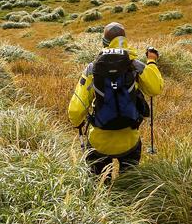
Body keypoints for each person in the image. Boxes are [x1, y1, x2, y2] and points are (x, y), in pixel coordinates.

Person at [67, 22, 163, 176]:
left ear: (104, 43)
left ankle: (102, 197)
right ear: (124, 40)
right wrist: (151, 61)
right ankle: (129, 197)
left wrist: (78, 123)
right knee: (129, 186)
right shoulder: (134, 65)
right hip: (129, 140)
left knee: (99, 186)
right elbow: (155, 88)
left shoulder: (93, 68)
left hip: (99, 142)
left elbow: (76, 110)